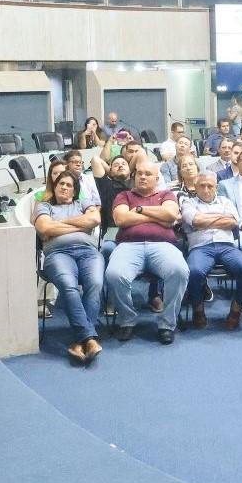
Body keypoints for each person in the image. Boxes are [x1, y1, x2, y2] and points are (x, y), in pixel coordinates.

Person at [105, 162, 189, 345]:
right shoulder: (124, 195)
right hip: (128, 246)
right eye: (139, 173)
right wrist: (159, 217)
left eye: (148, 174)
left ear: (157, 179)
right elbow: (121, 219)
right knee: (114, 274)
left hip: (163, 245)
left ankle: (167, 324)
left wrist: (139, 210)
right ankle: (127, 319)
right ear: (134, 177)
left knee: (180, 271)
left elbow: (171, 215)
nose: (142, 177)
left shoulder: (166, 194)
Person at [33, 171, 104, 364]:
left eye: (69, 185)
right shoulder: (44, 206)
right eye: (61, 184)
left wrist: (59, 224)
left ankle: (80, 341)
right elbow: (45, 228)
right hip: (58, 254)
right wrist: (80, 226)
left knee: (96, 283)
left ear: (75, 190)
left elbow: (95, 220)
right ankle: (89, 338)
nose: (64, 187)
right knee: (68, 285)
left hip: (88, 252)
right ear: (55, 187)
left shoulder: (83, 203)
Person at [180, 173, 242, 330]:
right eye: (202, 186)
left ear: (216, 188)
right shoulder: (188, 202)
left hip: (227, 247)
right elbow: (195, 220)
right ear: (195, 187)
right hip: (200, 248)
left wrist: (204, 220)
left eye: (210, 186)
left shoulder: (225, 201)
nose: (206, 189)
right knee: (194, 272)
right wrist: (220, 218)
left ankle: (236, 310)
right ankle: (198, 309)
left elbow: (232, 222)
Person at [90, 153, 131, 261]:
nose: (120, 166)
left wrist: (118, 169)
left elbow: (141, 156)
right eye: (116, 165)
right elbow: (95, 159)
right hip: (113, 232)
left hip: (135, 229)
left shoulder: (138, 183)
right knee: (108, 249)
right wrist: (113, 172)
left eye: (124, 164)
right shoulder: (106, 184)